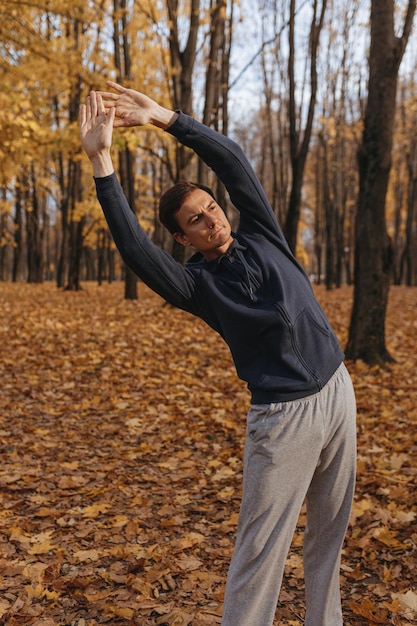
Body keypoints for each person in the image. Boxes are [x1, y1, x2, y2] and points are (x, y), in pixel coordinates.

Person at [79, 84, 357, 626]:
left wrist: (164, 117)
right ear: (184, 239)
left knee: (329, 537)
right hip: (282, 421)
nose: (213, 220)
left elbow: (232, 161)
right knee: (260, 555)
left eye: (211, 208)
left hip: (337, 393)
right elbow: (135, 247)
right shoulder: (197, 286)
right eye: (197, 221)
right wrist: (102, 160)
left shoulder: (263, 235)